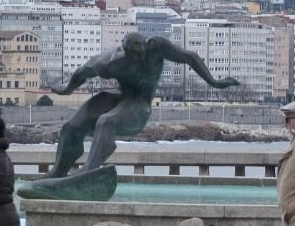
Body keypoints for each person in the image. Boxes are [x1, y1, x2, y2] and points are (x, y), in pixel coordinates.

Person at [46, 32, 240, 178]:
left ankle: (88, 172)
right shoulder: (109, 63)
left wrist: (214, 82)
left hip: (139, 106)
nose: (138, 59)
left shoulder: (157, 48)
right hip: (119, 97)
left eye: (140, 53)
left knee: (106, 122)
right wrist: (65, 90)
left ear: (146, 47)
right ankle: (58, 173)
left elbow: (190, 57)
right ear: (124, 50)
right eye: (132, 55)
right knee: (71, 127)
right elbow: (82, 73)